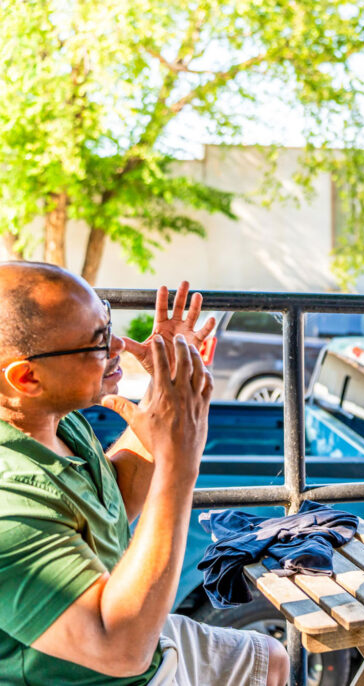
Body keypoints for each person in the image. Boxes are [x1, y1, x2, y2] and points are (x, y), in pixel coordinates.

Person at [0, 262, 289, 686]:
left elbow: (108, 501)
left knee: (271, 660)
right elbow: (121, 650)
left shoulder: (52, 419)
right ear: (27, 377)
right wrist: (180, 463)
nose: (119, 343)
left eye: (107, 320)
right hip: (103, 667)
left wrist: (167, 388)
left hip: (140, 642)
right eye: (98, 342)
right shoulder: (11, 502)